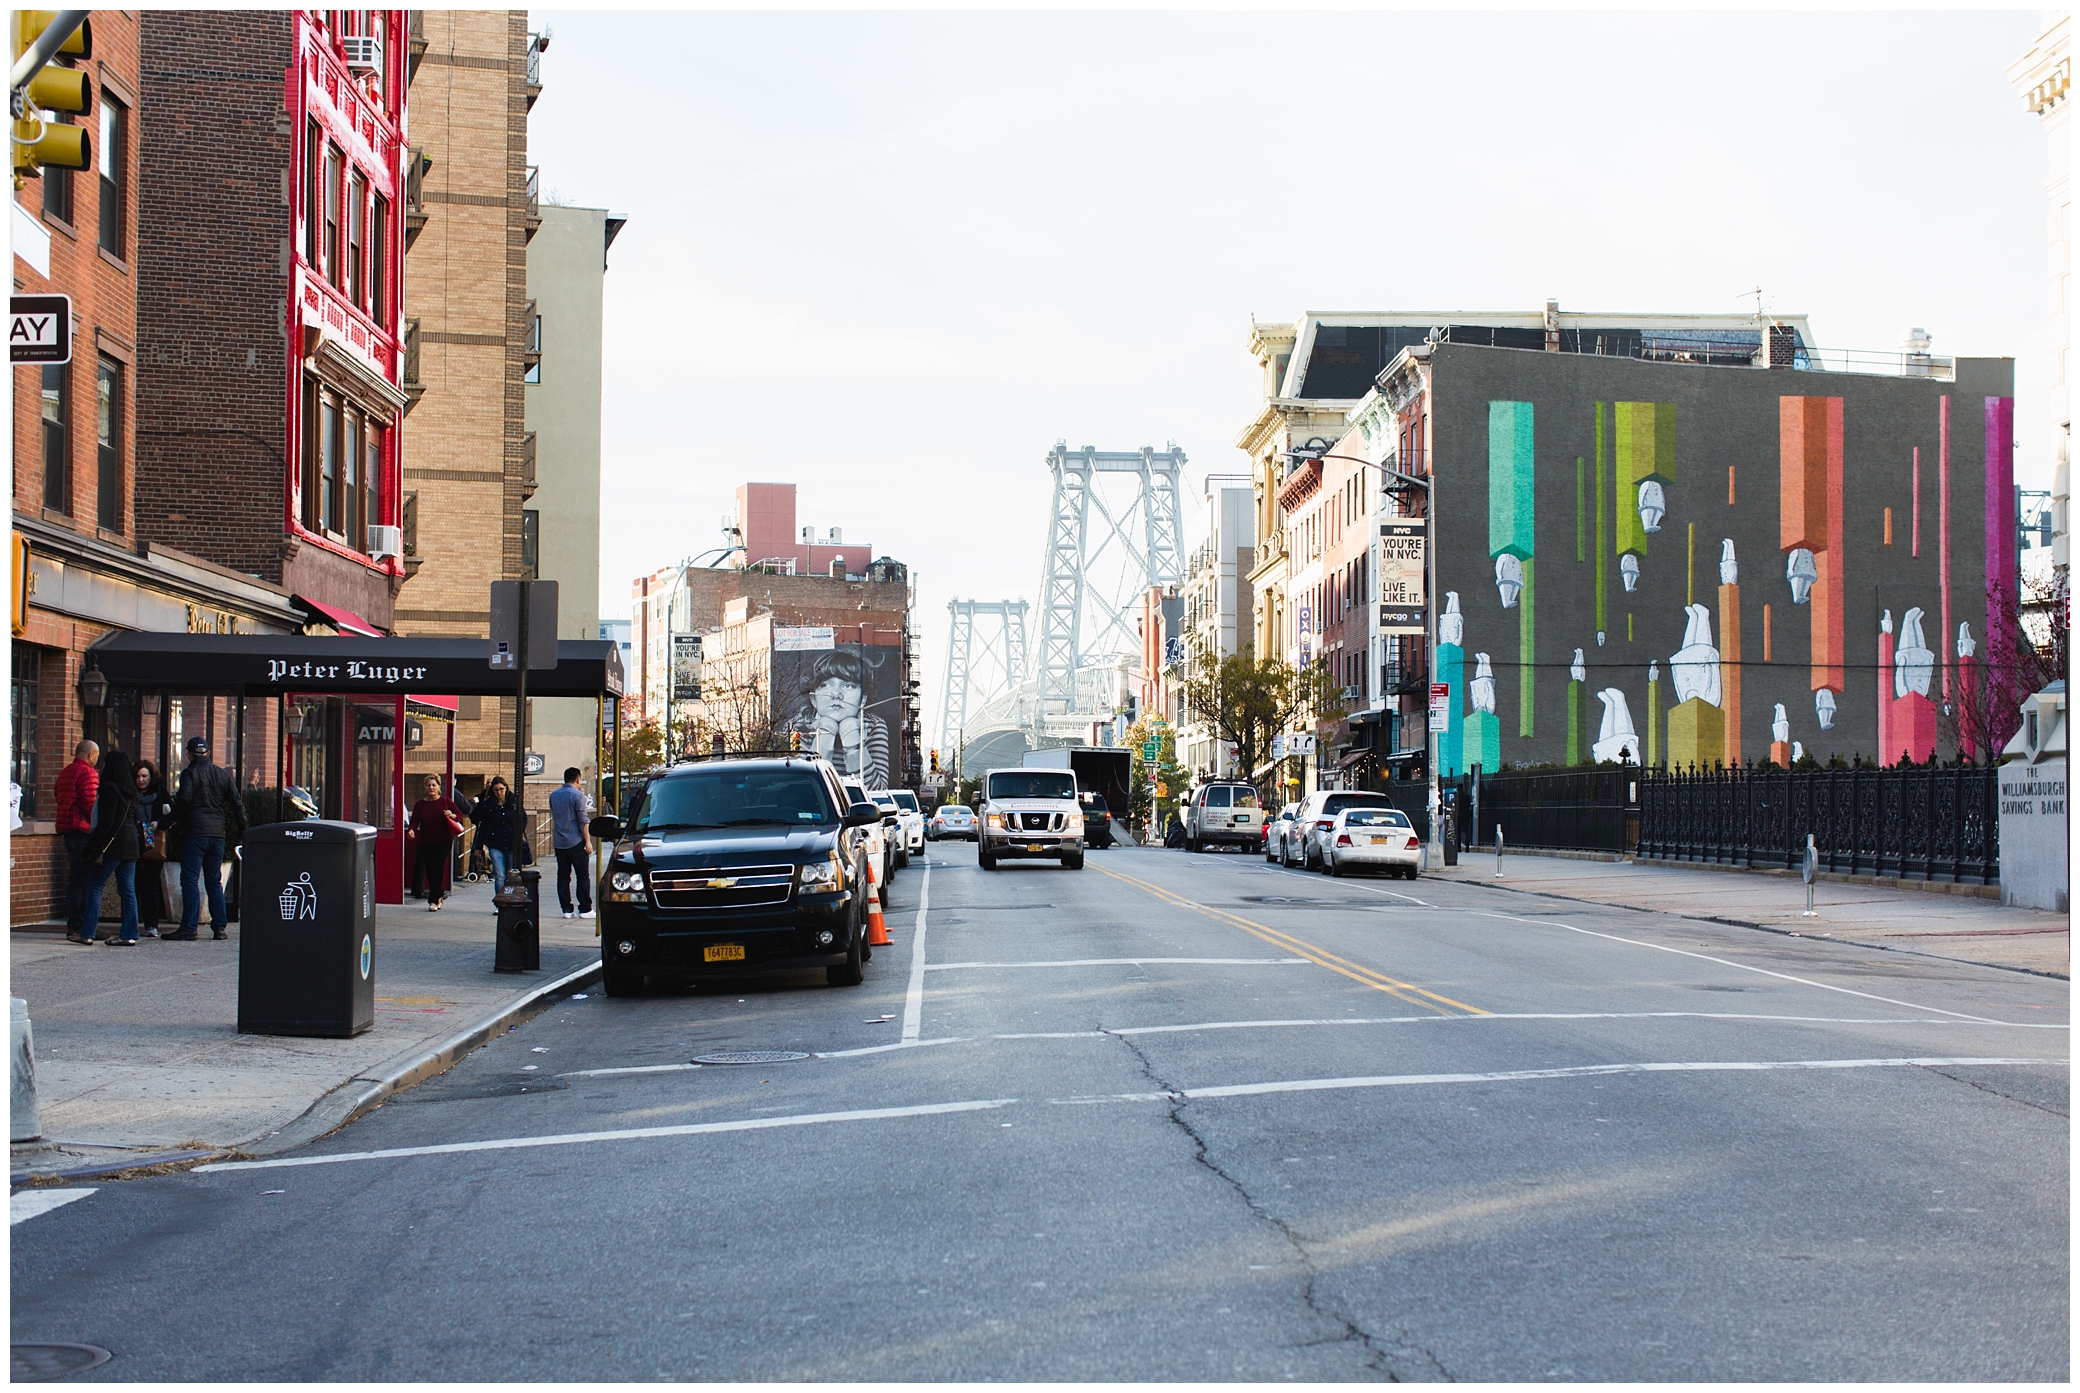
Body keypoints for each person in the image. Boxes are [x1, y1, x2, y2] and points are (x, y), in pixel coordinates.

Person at [170, 735, 245, 941]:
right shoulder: (221, 774)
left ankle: (189, 926)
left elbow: (183, 800)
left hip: (195, 833)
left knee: (190, 880)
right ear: (208, 753)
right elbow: (237, 803)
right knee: (214, 881)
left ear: (188, 755)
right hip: (217, 834)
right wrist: (243, 830)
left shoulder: (189, 773)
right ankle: (219, 927)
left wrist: (169, 820)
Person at [788, 650, 891, 789]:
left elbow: (877, 792)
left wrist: (853, 745)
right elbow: (800, 788)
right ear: (813, 698)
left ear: (863, 699)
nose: (836, 694)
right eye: (825, 685)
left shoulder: (874, 726)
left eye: (847, 685)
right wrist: (823, 739)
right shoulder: (799, 726)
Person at [80, 748, 143, 946]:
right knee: (128, 890)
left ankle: (88, 932)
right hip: (131, 844)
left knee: (95, 886)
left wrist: (90, 846)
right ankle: (129, 934)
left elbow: (106, 823)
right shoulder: (131, 791)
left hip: (113, 844)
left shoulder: (109, 788)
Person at [54, 739, 100, 940]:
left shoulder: (66, 772)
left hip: (68, 830)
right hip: (83, 831)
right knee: (87, 881)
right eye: (96, 755)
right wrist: (99, 826)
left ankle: (74, 924)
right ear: (91, 755)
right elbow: (90, 803)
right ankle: (85, 926)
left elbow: (59, 796)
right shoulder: (88, 773)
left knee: (75, 880)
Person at [408, 775, 467, 911]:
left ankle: (433, 901)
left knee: (438, 869)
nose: (431, 788)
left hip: (443, 841)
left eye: (434, 785)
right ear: (425, 788)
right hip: (426, 841)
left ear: (439, 787)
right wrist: (411, 830)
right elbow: (415, 821)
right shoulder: (420, 804)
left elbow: (459, 815)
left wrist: (452, 815)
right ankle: (439, 893)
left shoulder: (445, 802)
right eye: (428, 785)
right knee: (430, 871)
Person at [132, 759, 172, 938]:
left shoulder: (160, 793)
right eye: (138, 776)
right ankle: (133, 921)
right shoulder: (131, 794)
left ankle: (151, 924)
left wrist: (159, 823)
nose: (141, 780)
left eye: (144, 776)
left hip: (152, 834)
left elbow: (172, 815)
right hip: (134, 837)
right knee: (133, 882)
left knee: (150, 883)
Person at [549, 766, 594, 920]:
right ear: (578, 779)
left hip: (560, 841)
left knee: (563, 876)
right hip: (576, 841)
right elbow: (583, 821)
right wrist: (588, 842)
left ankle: (566, 909)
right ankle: (585, 908)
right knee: (582, 876)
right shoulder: (578, 796)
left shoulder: (554, 796)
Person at [472, 776, 517, 887]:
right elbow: (484, 826)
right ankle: (500, 902)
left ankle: (510, 898)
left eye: (501, 789)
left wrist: (517, 832)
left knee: (511, 874)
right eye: (496, 790)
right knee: (500, 875)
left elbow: (523, 819)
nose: (499, 792)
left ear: (506, 788)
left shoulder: (513, 802)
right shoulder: (489, 805)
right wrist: (478, 846)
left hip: (511, 842)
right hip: (495, 844)